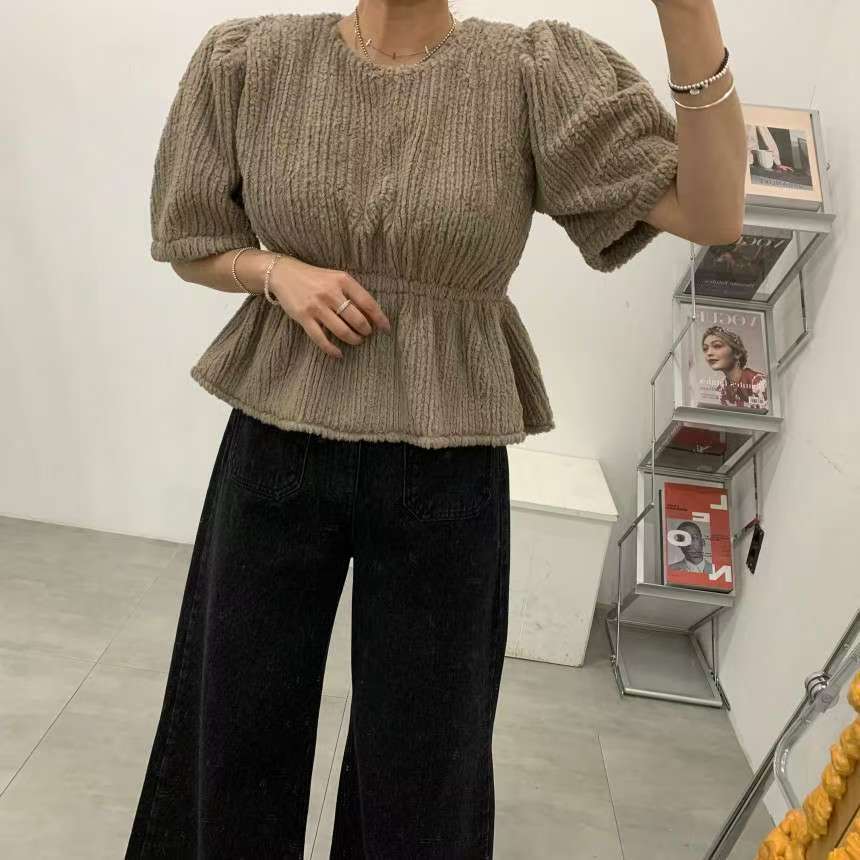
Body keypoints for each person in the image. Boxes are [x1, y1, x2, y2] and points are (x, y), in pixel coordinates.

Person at [125, 1, 745, 856]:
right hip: (278, 436)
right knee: (232, 732)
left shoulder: (529, 76)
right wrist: (272, 272)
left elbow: (714, 214)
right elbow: (188, 236)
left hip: (446, 461)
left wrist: (686, 10)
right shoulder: (253, 59)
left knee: (424, 770)